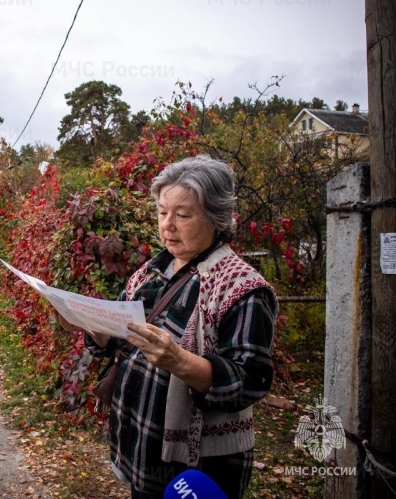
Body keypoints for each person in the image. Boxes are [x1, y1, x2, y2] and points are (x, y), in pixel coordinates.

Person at [56, 155, 277, 499]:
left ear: (216, 217)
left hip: (199, 465)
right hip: (142, 444)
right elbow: (121, 343)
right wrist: (94, 328)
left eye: (183, 215)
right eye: (162, 212)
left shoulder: (241, 287)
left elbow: (250, 381)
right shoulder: (148, 274)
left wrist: (179, 361)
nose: (167, 225)